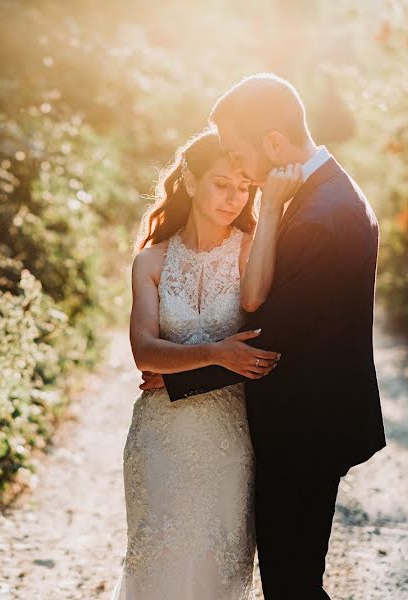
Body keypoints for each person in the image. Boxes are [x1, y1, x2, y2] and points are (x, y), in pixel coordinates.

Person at [142, 73, 387, 599]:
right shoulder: (324, 192)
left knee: (292, 585)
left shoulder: (323, 215)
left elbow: (274, 335)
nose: (239, 167)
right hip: (306, 422)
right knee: (292, 581)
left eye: (238, 150)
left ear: (273, 143)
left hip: (305, 428)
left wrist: (179, 376)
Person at [111, 126, 303, 599]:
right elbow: (143, 352)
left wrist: (272, 206)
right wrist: (218, 353)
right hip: (157, 440)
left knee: (215, 572)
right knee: (156, 567)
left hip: (228, 442)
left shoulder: (252, 249)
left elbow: (256, 302)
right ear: (192, 182)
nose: (234, 198)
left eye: (244, 187)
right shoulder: (151, 262)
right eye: (222, 184)